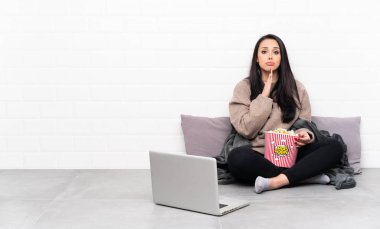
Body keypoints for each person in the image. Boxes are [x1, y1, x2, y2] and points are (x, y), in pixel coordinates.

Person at [227, 34, 344, 194]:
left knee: (334, 147)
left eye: (276, 52)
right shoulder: (244, 87)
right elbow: (246, 129)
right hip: (259, 155)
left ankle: (277, 181)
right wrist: (264, 96)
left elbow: (304, 123)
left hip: (291, 153)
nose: (270, 56)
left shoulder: (297, 88)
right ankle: (304, 176)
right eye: (264, 52)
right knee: (236, 159)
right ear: (256, 58)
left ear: (282, 58)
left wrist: (305, 135)